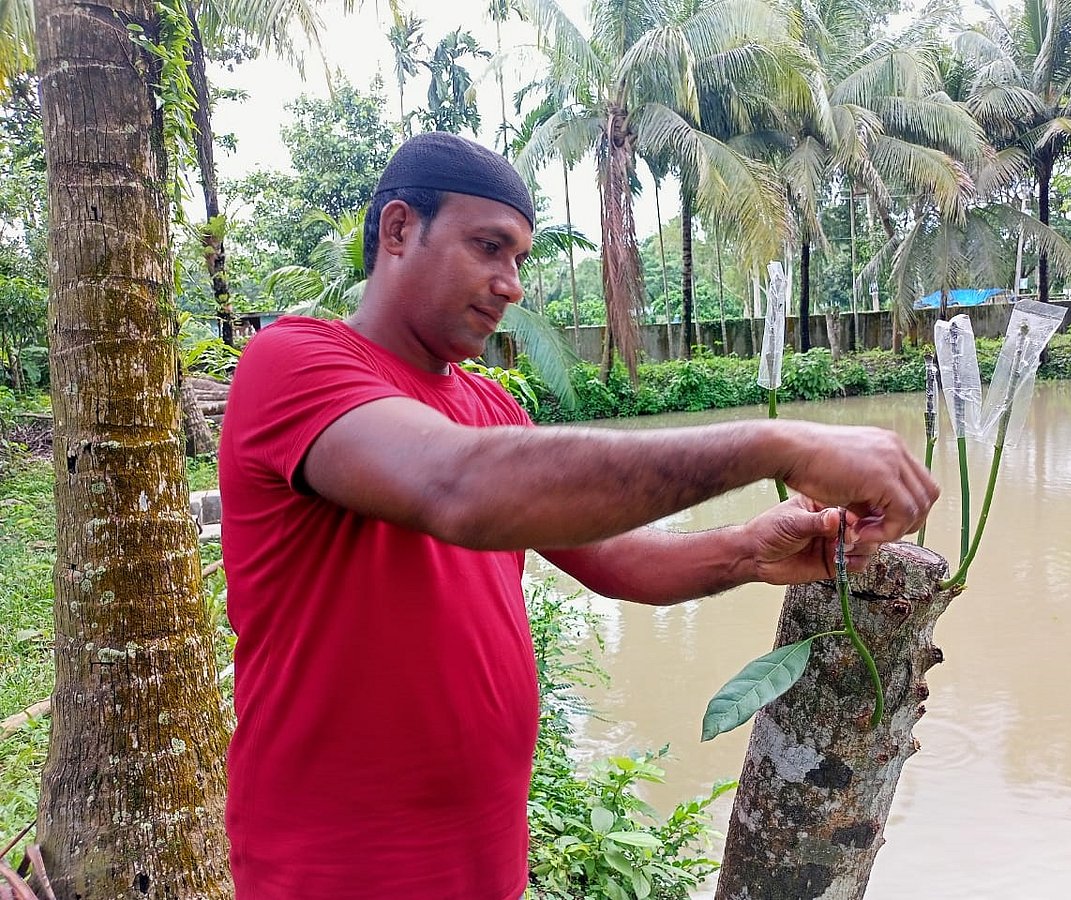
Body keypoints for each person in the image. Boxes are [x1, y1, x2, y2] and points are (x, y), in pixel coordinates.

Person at [218, 132, 938, 900]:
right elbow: (457, 489)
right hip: (333, 866)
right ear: (398, 229)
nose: (511, 284)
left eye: (520, 259)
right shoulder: (296, 362)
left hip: (482, 853)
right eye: (488, 247)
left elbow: (617, 560)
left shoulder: (488, 403)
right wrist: (773, 444)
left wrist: (751, 552)